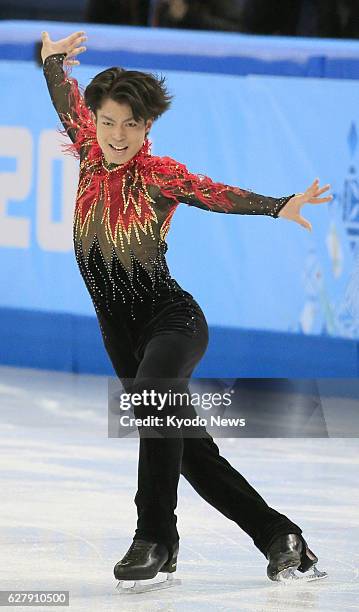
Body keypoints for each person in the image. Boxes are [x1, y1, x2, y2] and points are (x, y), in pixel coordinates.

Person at [41, 30, 331, 590]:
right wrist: (53, 63)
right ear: (95, 123)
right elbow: (64, 100)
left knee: (155, 395)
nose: (117, 134)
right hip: (119, 335)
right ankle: (281, 538)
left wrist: (278, 205)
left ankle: (154, 536)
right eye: (107, 122)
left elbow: (214, 192)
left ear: (147, 127)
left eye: (131, 124)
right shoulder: (86, 149)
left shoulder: (158, 174)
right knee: (192, 454)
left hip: (171, 321)